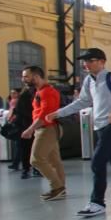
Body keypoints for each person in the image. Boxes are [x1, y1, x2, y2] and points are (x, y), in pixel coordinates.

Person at [46, 48, 111, 217]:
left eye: (90, 60)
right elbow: (82, 102)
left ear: (102, 62)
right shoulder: (89, 81)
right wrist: (59, 113)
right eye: (85, 61)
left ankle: (97, 202)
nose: (86, 64)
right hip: (99, 126)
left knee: (97, 161)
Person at [20, 66, 67, 200]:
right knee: (54, 161)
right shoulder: (40, 92)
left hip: (48, 129)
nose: (23, 79)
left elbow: (45, 115)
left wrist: (30, 129)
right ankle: (60, 189)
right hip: (47, 128)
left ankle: (57, 187)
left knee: (36, 159)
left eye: (26, 76)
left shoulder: (47, 92)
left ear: (36, 77)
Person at [11, 83, 35, 178]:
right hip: (30, 124)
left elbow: (17, 111)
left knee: (24, 148)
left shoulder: (22, 97)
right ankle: (34, 169)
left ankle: (26, 169)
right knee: (32, 148)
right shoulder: (29, 96)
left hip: (24, 125)